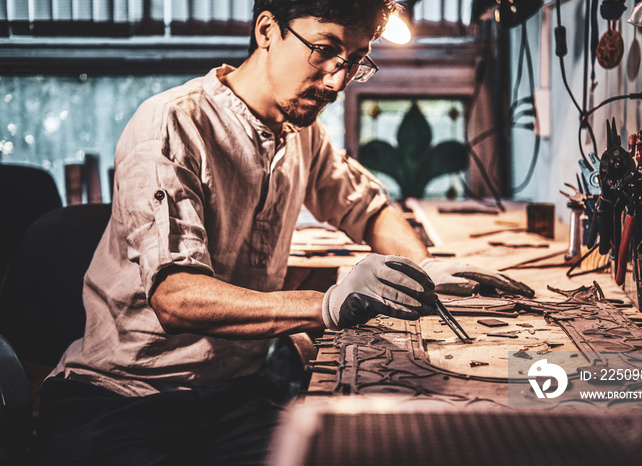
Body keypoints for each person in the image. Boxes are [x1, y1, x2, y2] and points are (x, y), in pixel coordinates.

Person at [38, 0, 534, 464]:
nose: (338, 80)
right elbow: (175, 296)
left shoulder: (301, 133)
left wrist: (422, 269)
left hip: (232, 398)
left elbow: (370, 209)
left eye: (356, 59)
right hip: (124, 399)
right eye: (325, 50)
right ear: (267, 30)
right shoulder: (173, 124)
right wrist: (325, 305)